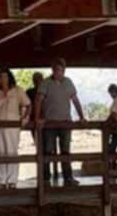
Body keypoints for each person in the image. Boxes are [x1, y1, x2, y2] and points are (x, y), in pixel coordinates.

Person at [35, 59, 84, 187]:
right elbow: (38, 100)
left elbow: (75, 100)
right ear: (52, 70)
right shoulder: (46, 83)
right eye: (57, 69)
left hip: (65, 123)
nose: (59, 72)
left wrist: (82, 117)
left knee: (65, 151)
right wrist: (37, 118)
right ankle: (46, 179)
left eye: (61, 70)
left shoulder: (68, 82)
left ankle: (68, 178)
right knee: (47, 151)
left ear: (64, 70)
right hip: (50, 123)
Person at [0, 68, 29, 188]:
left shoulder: (18, 91)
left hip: (13, 126)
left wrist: (25, 117)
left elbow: (28, 104)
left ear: (10, 78)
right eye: (1, 77)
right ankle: (0, 181)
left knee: (12, 151)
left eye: (5, 76)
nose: (3, 79)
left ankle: (12, 180)